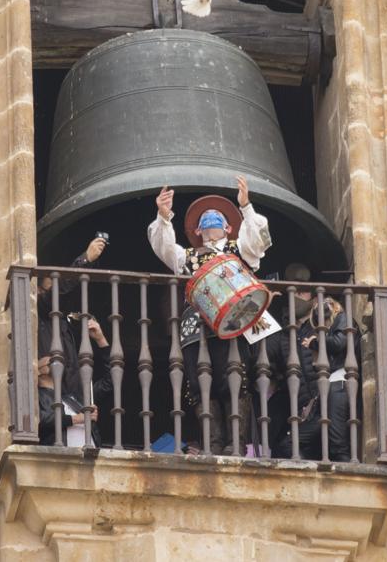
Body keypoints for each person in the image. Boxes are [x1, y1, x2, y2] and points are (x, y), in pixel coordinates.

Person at [147, 175, 272, 453]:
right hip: (196, 326)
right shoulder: (186, 256)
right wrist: (164, 217)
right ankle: (214, 443)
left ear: (228, 227)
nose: (210, 222)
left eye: (216, 219)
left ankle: (236, 443)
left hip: (234, 321)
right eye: (205, 220)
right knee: (200, 382)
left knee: (234, 378)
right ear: (197, 229)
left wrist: (246, 206)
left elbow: (260, 240)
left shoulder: (240, 249)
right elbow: (163, 247)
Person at [36, 236, 112, 446]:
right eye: (51, 289)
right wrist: (85, 260)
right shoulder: (41, 316)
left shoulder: (76, 394)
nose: (56, 293)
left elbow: (109, 383)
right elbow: (44, 420)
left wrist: (102, 341)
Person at [265, 283, 354, 462]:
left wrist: (316, 341)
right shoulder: (282, 335)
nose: (296, 293)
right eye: (293, 289)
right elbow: (263, 355)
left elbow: (340, 343)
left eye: (302, 289)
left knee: (336, 444)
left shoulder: (323, 323)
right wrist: (262, 310)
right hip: (307, 409)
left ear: (314, 298)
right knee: (287, 446)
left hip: (330, 395)